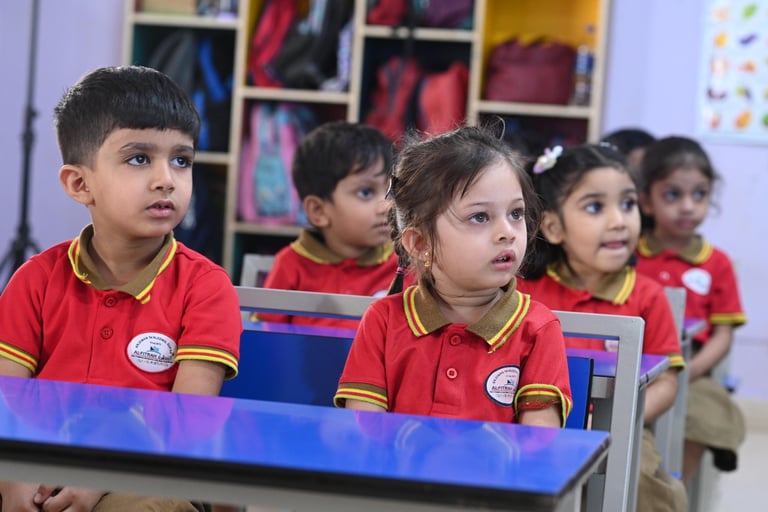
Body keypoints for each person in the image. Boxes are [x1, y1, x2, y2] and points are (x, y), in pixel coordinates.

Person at [0, 66, 242, 512]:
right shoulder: (34, 279)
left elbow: (187, 426)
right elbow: (5, 404)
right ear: (80, 184)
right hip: (37, 464)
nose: (166, 179)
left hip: (150, 470)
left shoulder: (206, 288)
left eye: (181, 160)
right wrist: (13, 476)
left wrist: (102, 473)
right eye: (139, 159)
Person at [334, 125, 572, 427]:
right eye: (479, 217)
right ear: (420, 243)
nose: (507, 233)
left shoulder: (538, 328)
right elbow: (364, 432)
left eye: (516, 213)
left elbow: (538, 443)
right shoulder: (383, 320)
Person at [516, 144, 688, 512]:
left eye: (627, 204)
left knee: (642, 483)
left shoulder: (648, 297)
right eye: (595, 207)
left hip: (619, 431)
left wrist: (615, 420)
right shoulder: (523, 293)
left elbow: (667, 383)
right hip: (536, 426)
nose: (619, 221)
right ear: (553, 227)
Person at [635, 136, 746, 485]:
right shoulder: (629, 255)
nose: (688, 207)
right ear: (646, 201)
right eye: (672, 195)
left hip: (693, 366)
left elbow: (723, 335)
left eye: (699, 194)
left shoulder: (717, 262)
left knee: (705, 415)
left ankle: (675, 488)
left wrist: (690, 370)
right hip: (636, 359)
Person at [258, 121, 412, 329]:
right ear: (318, 211)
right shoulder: (290, 266)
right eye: (365, 192)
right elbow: (264, 338)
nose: (387, 206)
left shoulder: (404, 266)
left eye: (391, 191)